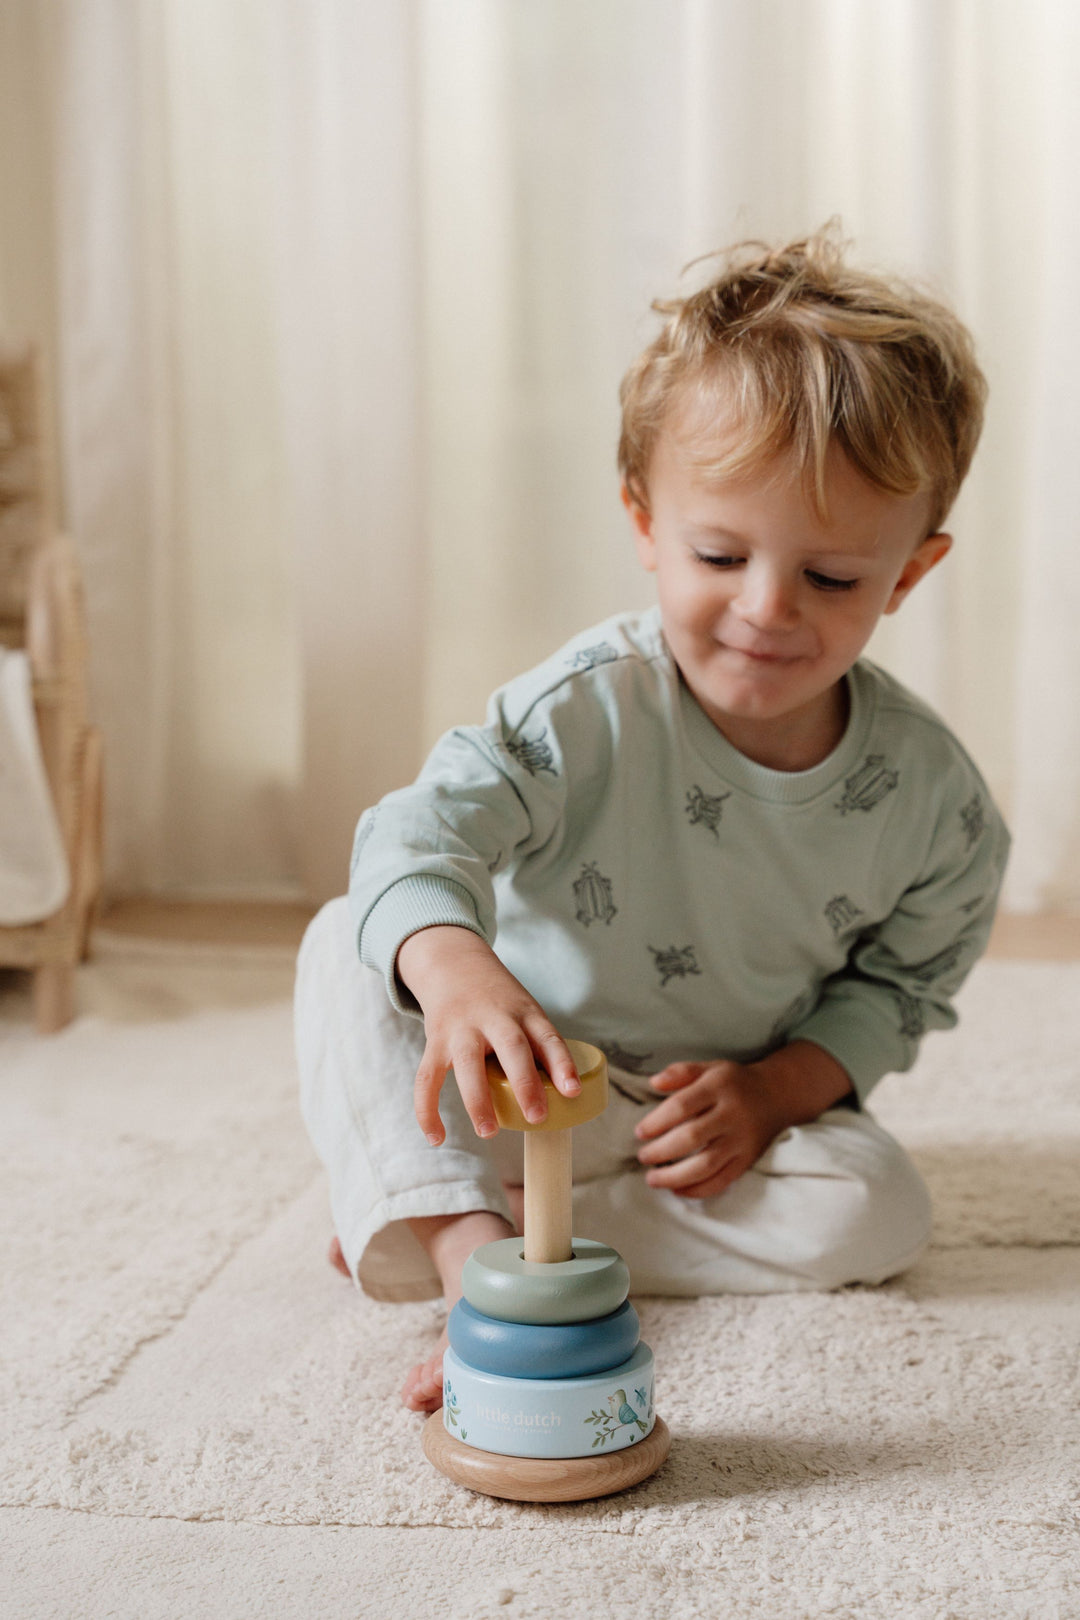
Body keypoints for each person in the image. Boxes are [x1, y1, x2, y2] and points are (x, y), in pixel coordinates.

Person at [295, 229, 1009, 1415]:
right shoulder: (583, 708)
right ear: (644, 523)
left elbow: (901, 990)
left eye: (832, 579)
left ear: (911, 573)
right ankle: (471, 1249)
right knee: (344, 942)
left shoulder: (936, 804)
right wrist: (460, 975)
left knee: (880, 1211)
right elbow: (416, 837)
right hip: (512, 1081)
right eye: (720, 554)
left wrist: (775, 1092)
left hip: (697, 1123)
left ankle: (470, 1219)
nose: (767, 611)